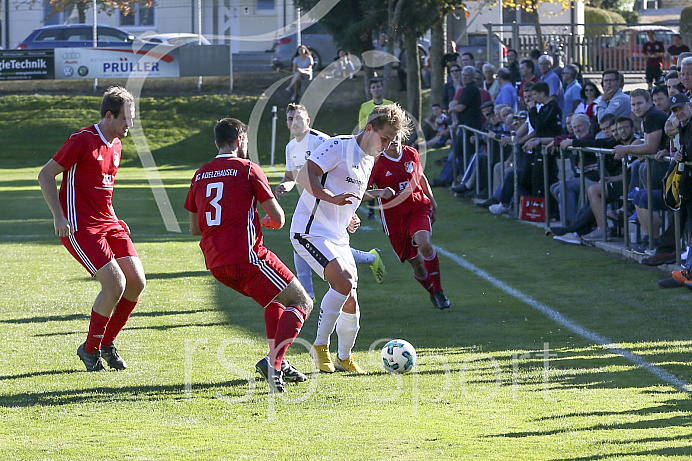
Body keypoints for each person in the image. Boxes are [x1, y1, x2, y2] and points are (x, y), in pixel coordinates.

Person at [184, 118, 313, 393]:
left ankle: (279, 360)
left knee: (274, 300)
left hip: (217, 263)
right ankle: (274, 364)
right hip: (247, 256)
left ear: (217, 142)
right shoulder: (247, 169)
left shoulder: (200, 174)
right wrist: (263, 221)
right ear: (240, 141)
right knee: (302, 301)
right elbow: (278, 218)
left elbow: (195, 228)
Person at [291, 104, 408, 374]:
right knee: (343, 281)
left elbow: (347, 191)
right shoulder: (339, 145)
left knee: (351, 296)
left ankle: (344, 357)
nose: (388, 145)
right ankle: (320, 346)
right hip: (310, 229)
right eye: (385, 138)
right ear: (369, 129)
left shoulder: (369, 159)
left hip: (337, 233)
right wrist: (330, 199)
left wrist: (349, 215)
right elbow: (305, 175)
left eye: (393, 140)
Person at [37, 86, 146, 372]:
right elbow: (45, 174)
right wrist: (58, 216)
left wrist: (115, 217)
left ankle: (105, 345)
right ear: (109, 116)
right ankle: (90, 349)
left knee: (136, 282)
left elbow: (102, 192)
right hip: (79, 226)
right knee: (115, 284)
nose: (129, 125)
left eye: (131, 119)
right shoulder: (82, 140)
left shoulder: (117, 146)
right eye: (125, 119)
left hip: (108, 222)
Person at [277, 103, 387, 298]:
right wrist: (284, 186)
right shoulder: (290, 147)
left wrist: (348, 210)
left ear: (308, 121)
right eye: (290, 119)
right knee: (303, 246)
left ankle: (370, 258)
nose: (294, 122)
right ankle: (307, 297)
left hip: (328, 206)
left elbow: (344, 176)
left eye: (298, 118)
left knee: (323, 249)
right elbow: (291, 176)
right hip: (312, 201)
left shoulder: (324, 141)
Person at [367, 134, 451, 309]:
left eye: (396, 134)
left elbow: (420, 177)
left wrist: (433, 202)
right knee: (417, 264)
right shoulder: (376, 162)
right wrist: (379, 192)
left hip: (417, 208)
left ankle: (439, 290)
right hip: (393, 219)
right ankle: (432, 293)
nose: (393, 139)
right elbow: (360, 193)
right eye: (387, 136)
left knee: (425, 244)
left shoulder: (411, 153)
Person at [359, 77, 394, 217]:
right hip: (372, 148)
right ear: (370, 90)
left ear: (382, 88)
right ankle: (371, 209)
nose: (376, 89)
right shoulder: (365, 107)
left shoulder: (390, 105)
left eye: (378, 86)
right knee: (371, 176)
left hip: (386, 146)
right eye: (373, 87)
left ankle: (391, 203)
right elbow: (361, 128)